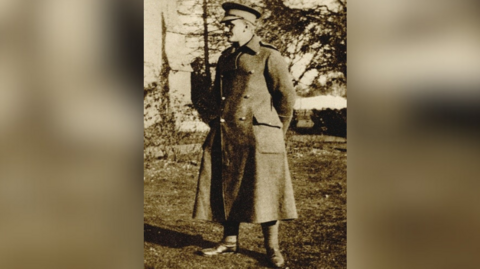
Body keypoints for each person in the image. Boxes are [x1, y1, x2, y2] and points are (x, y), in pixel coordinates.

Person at [192, 2, 297, 267]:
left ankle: (272, 248)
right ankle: (229, 241)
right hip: (229, 133)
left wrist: (275, 131)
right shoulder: (226, 57)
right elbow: (217, 96)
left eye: (230, 25)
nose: (225, 29)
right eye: (224, 25)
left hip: (260, 136)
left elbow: (286, 97)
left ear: (247, 26)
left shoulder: (269, 56)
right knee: (227, 185)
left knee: (265, 190)